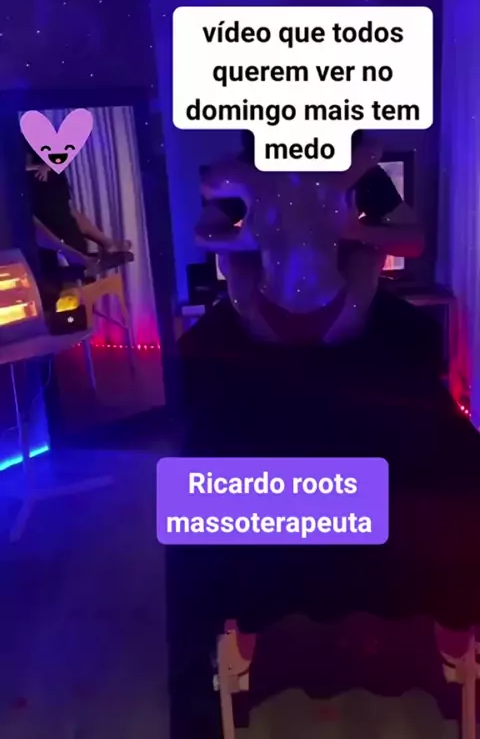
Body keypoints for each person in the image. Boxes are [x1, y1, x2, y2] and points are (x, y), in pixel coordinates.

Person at [167, 131, 480, 739]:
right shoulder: (247, 174)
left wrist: (348, 228)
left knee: (453, 458)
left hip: (350, 327)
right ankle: (236, 622)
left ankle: (454, 610)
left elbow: (410, 238)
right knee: (206, 463)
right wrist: (259, 234)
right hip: (264, 342)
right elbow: (208, 233)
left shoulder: (359, 173)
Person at [25, 144, 131, 287]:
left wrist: (48, 165)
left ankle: (105, 244)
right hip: (33, 185)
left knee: (66, 212)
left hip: (42, 178)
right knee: (34, 222)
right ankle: (82, 257)